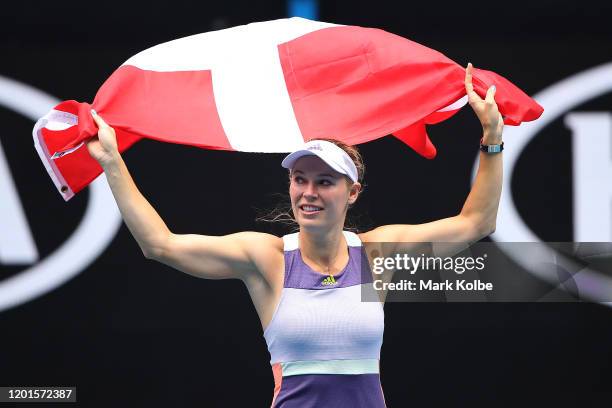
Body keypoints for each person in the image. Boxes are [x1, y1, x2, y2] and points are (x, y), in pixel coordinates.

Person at [85, 63, 503, 407]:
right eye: (300, 179)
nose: (308, 192)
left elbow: (475, 223)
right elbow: (160, 244)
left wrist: (492, 140)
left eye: (325, 182)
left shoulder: (377, 254)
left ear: (352, 193)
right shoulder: (265, 258)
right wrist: (112, 162)